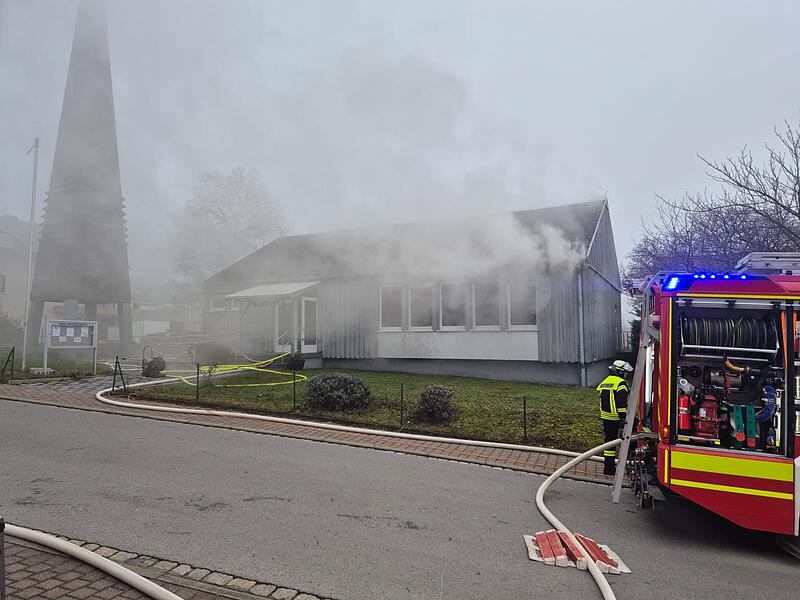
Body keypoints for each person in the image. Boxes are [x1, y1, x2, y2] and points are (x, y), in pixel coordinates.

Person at [597, 360, 634, 475]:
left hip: (605, 417)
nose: (626, 375)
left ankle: (608, 468)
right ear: (619, 372)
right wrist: (624, 418)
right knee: (628, 441)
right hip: (617, 418)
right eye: (624, 373)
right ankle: (629, 465)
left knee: (609, 442)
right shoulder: (621, 384)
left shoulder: (605, 382)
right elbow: (621, 403)